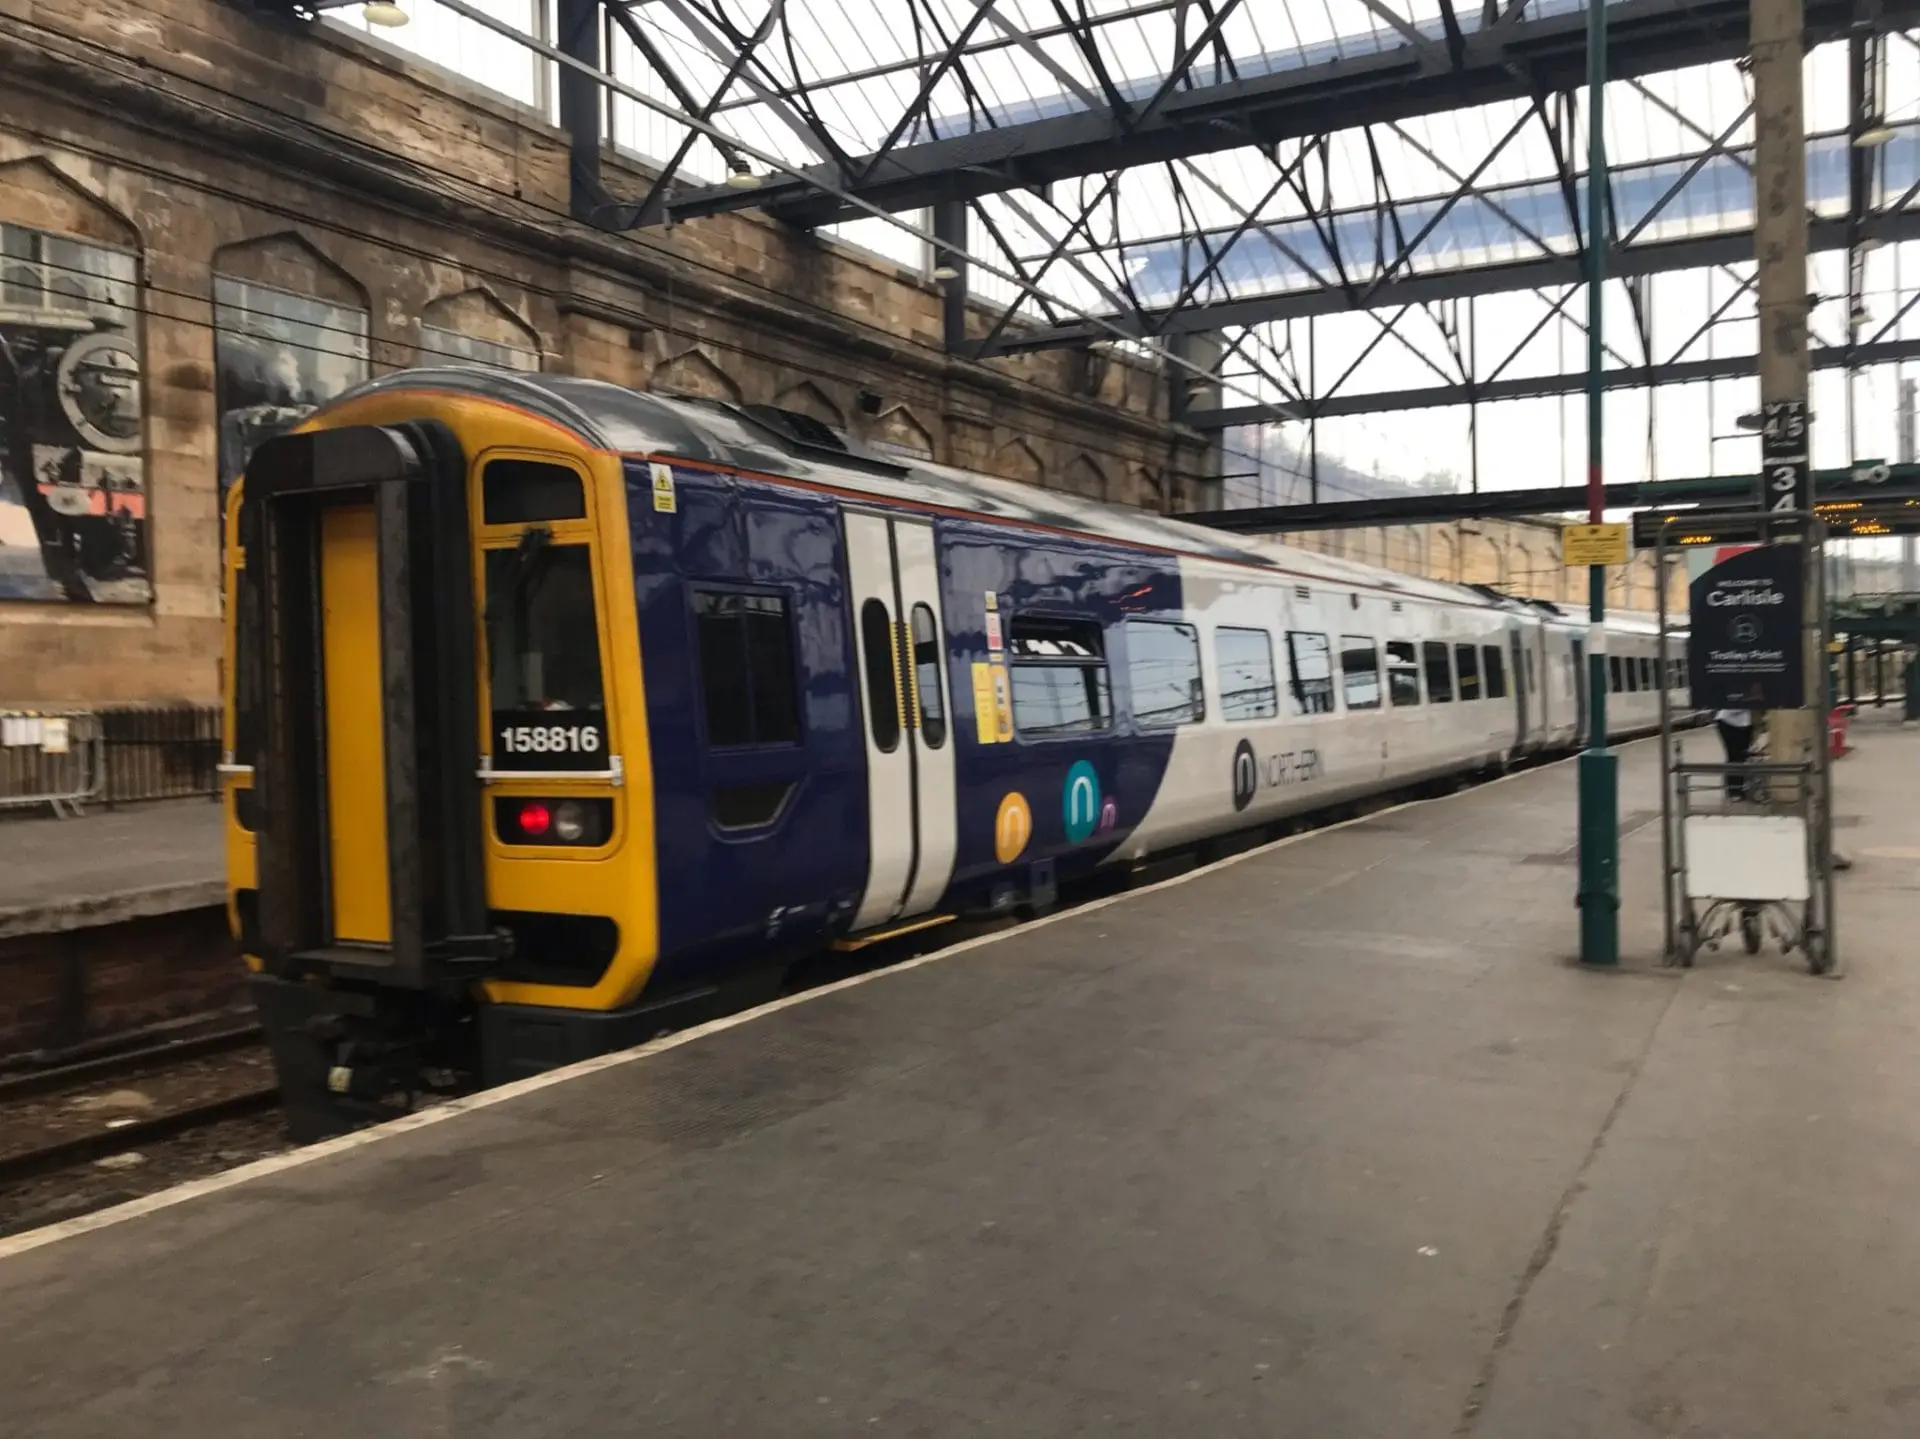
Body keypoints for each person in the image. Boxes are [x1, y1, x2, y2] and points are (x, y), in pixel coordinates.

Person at [1715, 706, 1755, 799]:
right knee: (1734, 756)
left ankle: (1738, 788)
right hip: (1729, 722)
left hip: (1744, 724)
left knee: (1741, 757)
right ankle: (1734, 791)